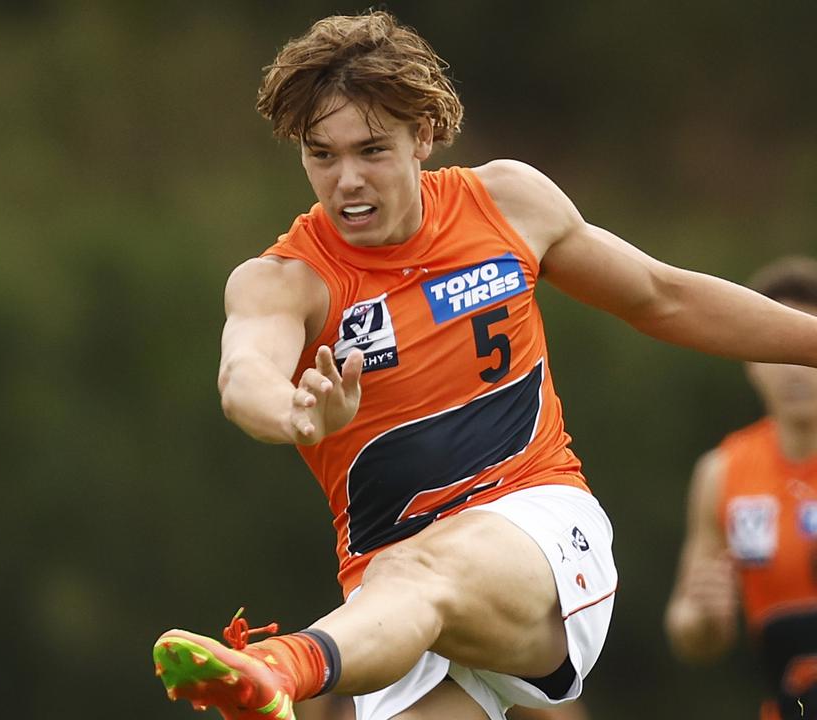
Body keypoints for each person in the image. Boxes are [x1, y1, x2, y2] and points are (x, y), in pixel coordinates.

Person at [150, 10, 817, 720]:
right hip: (392, 607)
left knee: (417, 571)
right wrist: (295, 413)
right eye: (322, 155)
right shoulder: (284, 280)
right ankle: (288, 671)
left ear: (425, 136)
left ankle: (279, 664)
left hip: (538, 532)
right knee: (408, 575)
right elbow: (242, 375)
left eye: (372, 150)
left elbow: (663, 297)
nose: (346, 180)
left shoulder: (508, 204)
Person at [665, 257, 817, 720]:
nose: (795, 367)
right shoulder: (723, 471)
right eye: (778, 346)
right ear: (749, 358)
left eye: (808, 341)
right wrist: (704, 616)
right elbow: (688, 630)